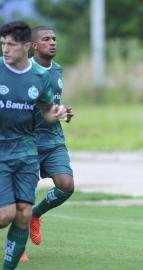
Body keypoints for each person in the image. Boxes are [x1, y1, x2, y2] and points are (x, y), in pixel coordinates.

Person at [0, 21, 67, 270]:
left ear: (27, 46)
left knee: (24, 215)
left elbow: (46, 110)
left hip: (27, 151)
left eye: (11, 44)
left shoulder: (40, 77)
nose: (6, 49)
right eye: (3, 43)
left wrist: (57, 114)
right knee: (5, 215)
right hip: (1, 150)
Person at [19, 26, 75, 262]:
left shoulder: (58, 70)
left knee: (66, 186)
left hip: (53, 140)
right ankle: (18, 247)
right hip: (26, 141)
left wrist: (64, 113)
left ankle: (36, 215)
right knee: (23, 198)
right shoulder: (22, 71)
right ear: (33, 46)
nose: (52, 42)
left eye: (54, 38)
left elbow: (53, 105)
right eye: (46, 39)